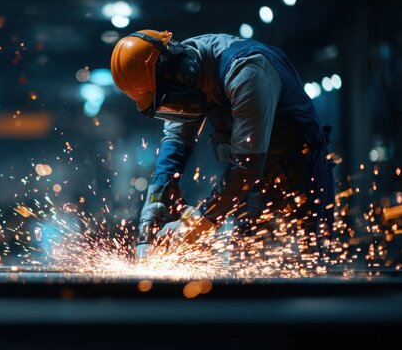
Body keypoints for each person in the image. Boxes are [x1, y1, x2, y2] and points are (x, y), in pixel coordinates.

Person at [110, 30, 335, 259]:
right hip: (252, 178)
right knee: (247, 264)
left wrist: (198, 223)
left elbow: (248, 165)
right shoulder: (184, 68)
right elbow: (177, 140)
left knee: (305, 264)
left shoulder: (248, 72)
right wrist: (155, 201)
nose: (176, 107)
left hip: (300, 177)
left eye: (173, 100)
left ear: (185, 72)